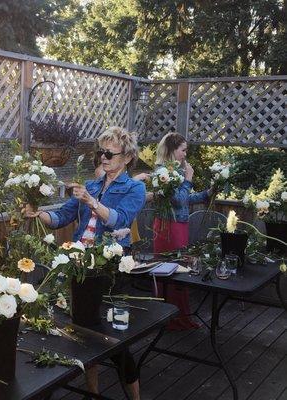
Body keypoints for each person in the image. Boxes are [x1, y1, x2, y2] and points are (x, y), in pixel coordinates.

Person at [27, 126, 145, 399]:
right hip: (80, 267)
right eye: (100, 152)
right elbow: (61, 219)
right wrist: (38, 214)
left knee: (115, 337)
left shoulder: (135, 188)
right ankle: (93, 393)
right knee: (83, 332)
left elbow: (119, 220)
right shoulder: (90, 186)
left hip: (111, 267)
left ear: (127, 157)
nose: (103, 158)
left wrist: (91, 201)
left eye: (109, 153)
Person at [152, 132, 211, 330]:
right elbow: (178, 200)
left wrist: (206, 194)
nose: (185, 154)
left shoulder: (175, 170)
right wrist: (188, 178)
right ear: (171, 150)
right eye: (183, 150)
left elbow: (184, 199)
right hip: (168, 227)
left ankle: (181, 315)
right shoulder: (162, 171)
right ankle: (168, 317)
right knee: (170, 271)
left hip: (180, 225)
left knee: (180, 270)